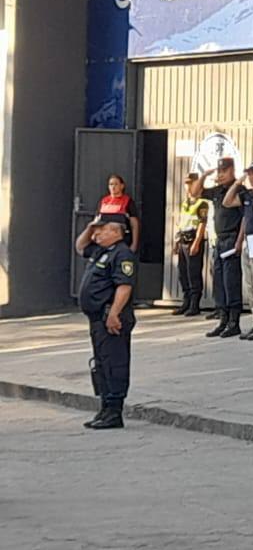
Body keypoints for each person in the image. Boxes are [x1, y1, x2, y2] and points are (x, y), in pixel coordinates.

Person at [74, 213, 137, 430]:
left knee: (114, 363)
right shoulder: (101, 250)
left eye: (103, 229)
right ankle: (105, 407)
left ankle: (114, 411)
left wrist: (114, 314)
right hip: (97, 319)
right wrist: (90, 227)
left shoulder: (122, 254)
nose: (97, 233)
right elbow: (80, 247)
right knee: (101, 364)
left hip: (111, 317)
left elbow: (124, 286)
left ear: (116, 232)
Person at [223, 161, 253, 341]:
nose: (251, 177)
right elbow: (228, 202)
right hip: (248, 242)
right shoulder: (247, 195)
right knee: (249, 285)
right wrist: (238, 183)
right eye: (249, 174)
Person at [197, 158, 244, 338]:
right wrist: (204, 175)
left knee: (231, 281)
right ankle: (223, 319)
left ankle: (234, 321)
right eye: (219, 171)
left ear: (233, 170)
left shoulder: (239, 190)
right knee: (219, 282)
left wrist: (239, 241)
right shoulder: (217, 190)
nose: (221, 174)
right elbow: (196, 192)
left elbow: (245, 218)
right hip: (220, 240)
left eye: (225, 171)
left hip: (232, 238)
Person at [173, 172, 209, 317]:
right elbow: (181, 222)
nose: (187, 186)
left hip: (193, 239)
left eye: (190, 183)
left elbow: (202, 224)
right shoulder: (185, 202)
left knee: (193, 273)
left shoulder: (202, 202)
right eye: (186, 183)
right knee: (183, 273)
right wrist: (176, 241)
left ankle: (194, 304)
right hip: (183, 239)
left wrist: (197, 242)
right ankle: (186, 301)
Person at [97, 174, 140, 254]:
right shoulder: (103, 201)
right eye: (111, 184)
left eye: (116, 184)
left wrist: (134, 244)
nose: (113, 187)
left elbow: (134, 224)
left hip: (122, 241)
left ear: (122, 186)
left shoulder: (128, 201)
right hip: (104, 241)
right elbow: (96, 221)